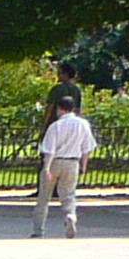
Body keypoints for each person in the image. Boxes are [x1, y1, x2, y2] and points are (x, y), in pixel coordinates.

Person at [35, 91, 96, 237]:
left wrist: (46, 168)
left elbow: (49, 149)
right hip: (72, 162)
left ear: (60, 109)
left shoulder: (55, 126)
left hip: (56, 161)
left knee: (44, 198)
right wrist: (84, 165)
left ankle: (38, 230)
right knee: (68, 195)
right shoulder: (83, 124)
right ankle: (70, 215)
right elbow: (87, 147)